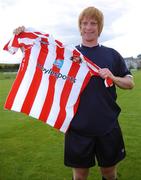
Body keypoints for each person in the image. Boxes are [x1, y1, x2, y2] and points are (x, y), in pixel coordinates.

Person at [13, 6, 134, 180]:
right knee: (79, 176)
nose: (88, 27)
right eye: (84, 23)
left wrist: (113, 77)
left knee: (109, 173)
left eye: (93, 23)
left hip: (108, 125)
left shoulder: (112, 55)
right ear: (80, 27)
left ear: (99, 27)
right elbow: (46, 66)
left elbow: (130, 83)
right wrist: (24, 40)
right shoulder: (70, 55)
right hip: (77, 127)